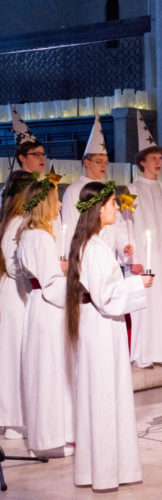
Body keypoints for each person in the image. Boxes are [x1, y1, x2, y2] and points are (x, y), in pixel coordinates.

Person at [66, 181, 153, 490]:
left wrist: (131, 282)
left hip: (100, 326)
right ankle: (104, 474)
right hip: (101, 328)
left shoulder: (93, 243)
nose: (118, 208)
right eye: (114, 203)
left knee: (104, 395)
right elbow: (106, 296)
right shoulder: (95, 248)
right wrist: (138, 284)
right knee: (103, 397)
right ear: (100, 208)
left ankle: (105, 470)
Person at [16, 176, 74, 457]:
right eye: (55, 200)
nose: (60, 204)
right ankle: (53, 438)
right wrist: (76, 293)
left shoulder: (27, 235)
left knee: (41, 371)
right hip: (49, 309)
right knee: (51, 371)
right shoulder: (40, 237)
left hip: (37, 307)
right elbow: (51, 285)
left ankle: (45, 435)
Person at [126, 110, 162, 368]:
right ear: (142, 162)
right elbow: (125, 223)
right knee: (144, 306)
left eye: (160, 158)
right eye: (153, 158)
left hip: (161, 256)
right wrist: (130, 255)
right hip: (141, 259)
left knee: (161, 304)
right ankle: (142, 354)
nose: (158, 162)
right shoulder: (131, 190)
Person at [61, 114, 131, 261]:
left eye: (106, 162)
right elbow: (71, 227)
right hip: (86, 257)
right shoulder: (74, 191)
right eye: (99, 161)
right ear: (87, 162)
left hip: (107, 255)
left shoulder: (107, 190)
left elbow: (117, 223)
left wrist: (124, 245)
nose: (104, 166)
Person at [0, 171, 36, 439]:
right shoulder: (16, 224)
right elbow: (15, 266)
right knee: (14, 356)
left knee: (20, 355)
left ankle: (20, 418)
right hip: (16, 296)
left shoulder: (18, 222)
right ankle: (14, 420)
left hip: (18, 294)